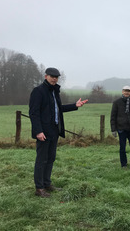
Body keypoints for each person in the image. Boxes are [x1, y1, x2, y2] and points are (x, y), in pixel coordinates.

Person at [29, 67, 88, 198]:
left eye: (56, 77)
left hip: (54, 131)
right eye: (52, 76)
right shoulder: (38, 91)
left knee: (50, 158)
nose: (54, 78)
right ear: (46, 76)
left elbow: (58, 109)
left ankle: (47, 183)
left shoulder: (55, 92)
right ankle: (39, 188)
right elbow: (34, 113)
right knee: (41, 159)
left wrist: (75, 105)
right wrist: (38, 131)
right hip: (43, 132)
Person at [110, 85, 130, 168]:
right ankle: (124, 164)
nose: (126, 92)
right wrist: (113, 129)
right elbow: (113, 117)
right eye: (125, 91)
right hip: (121, 129)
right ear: (122, 92)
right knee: (122, 148)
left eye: (128, 91)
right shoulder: (117, 102)